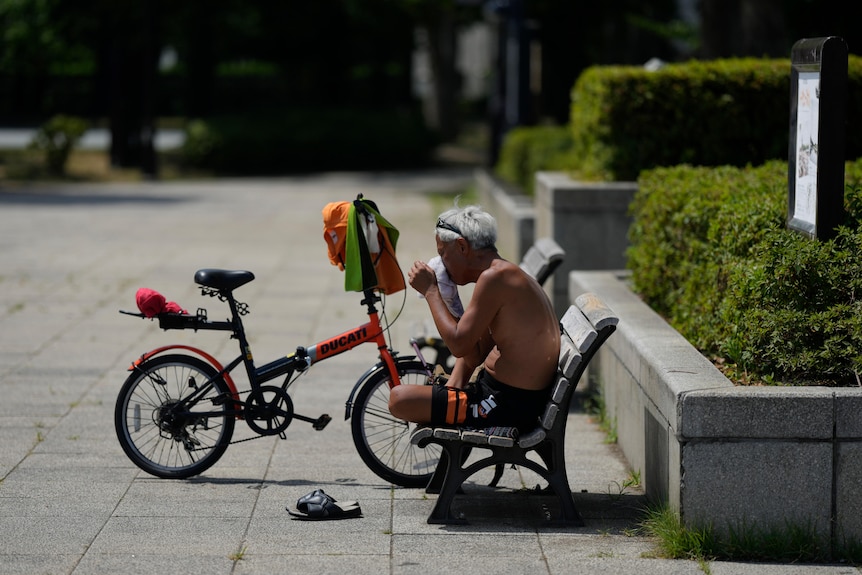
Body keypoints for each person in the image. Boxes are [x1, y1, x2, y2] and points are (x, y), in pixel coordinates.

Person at [388, 204, 561, 431]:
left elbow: (459, 345)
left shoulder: (494, 279)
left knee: (400, 398)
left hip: (505, 405)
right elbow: (473, 353)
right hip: (504, 397)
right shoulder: (500, 274)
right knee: (412, 396)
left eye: (442, 253)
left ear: (461, 246)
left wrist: (431, 291)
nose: (440, 262)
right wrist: (454, 385)